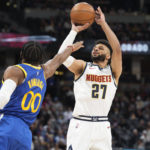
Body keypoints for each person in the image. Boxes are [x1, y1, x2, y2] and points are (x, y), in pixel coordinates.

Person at [0, 34, 89, 150]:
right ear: (42, 57)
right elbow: (59, 58)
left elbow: (3, 97)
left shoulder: (16, 71)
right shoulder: (45, 72)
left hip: (6, 125)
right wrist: (71, 48)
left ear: (21, 54)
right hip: (24, 134)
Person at [58, 7, 122, 150]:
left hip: (102, 126)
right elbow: (61, 57)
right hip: (81, 124)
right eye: (95, 47)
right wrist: (73, 31)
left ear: (108, 56)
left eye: (100, 48)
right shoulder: (82, 67)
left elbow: (117, 48)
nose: (96, 49)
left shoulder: (113, 72)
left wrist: (103, 24)